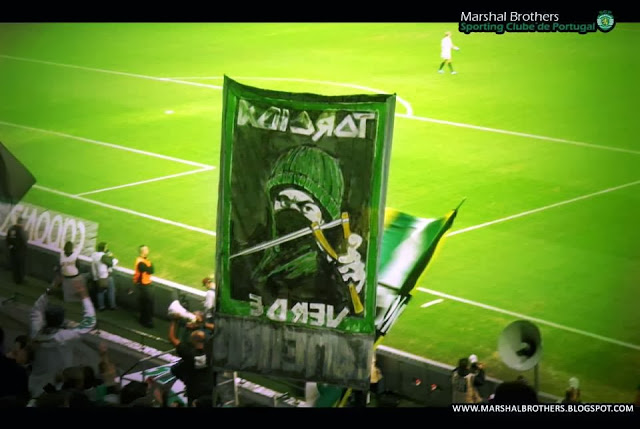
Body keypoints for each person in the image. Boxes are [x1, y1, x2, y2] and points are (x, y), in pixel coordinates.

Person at [231, 145, 365, 314]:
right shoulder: (252, 254)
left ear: (324, 218)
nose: (291, 214)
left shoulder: (329, 271)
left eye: (306, 207)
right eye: (284, 201)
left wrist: (352, 286)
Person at [28, 281, 96, 398]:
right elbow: (90, 322)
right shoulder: (65, 337)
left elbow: (37, 309)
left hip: (33, 385)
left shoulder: (36, 330)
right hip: (53, 392)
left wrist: (50, 290)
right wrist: (84, 295)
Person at [168, 320, 215, 407]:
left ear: (192, 340)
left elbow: (172, 338)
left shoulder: (188, 353)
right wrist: (202, 324)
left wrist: (174, 321)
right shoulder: (210, 349)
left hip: (194, 391)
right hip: (209, 389)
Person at [91, 242, 118, 311]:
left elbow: (93, 267)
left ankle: (101, 306)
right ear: (104, 248)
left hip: (98, 277)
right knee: (111, 291)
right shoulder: (104, 256)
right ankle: (112, 305)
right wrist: (111, 256)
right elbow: (113, 263)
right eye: (106, 247)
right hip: (106, 276)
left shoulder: (94, 255)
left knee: (100, 292)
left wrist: (95, 278)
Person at [133, 245, 155, 328]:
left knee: (146, 303)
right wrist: (150, 264)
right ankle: (146, 321)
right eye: (146, 249)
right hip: (143, 285)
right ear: (143, 251)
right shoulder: (141, 262)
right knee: (146, 304)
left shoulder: (144, 260)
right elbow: (150, 270)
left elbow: (150, 270)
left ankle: (144, 320)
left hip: (145, 284)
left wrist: (149, 265)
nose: (148, 250)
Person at [6, 216, 28, 284]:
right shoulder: (21, 230)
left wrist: (10, 246)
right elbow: (24, 240)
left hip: (13, 251)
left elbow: (7, 239)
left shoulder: (11, 228)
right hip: (20, 251)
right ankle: (20, 280)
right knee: (20, 266)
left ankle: (15, 279)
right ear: (22, 222)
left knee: (14, 265)